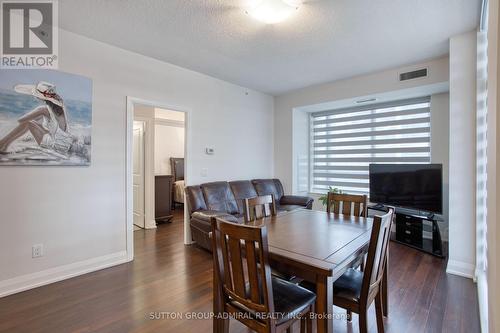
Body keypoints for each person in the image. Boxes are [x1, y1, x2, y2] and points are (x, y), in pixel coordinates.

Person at [0, 81, 71, 154]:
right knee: (35, 121)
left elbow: (21, 120)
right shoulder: (60, 108)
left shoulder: (43, 109)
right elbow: (56, 131)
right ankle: (4, 145)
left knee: (27, 123)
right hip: (64, 144)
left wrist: (35, 118)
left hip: (55, 145)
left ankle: (2, 144)